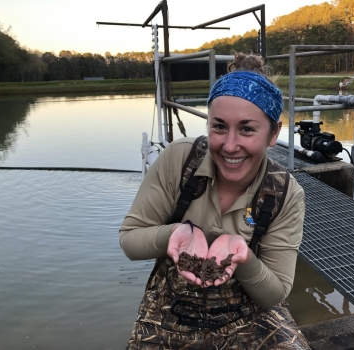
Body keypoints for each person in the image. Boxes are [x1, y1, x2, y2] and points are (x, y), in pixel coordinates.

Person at [119, 53, 308, 349]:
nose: (230, 145)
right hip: (171, 306)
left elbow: (275, 294)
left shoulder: (285, 193)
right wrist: (172, 234)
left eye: (247, 129)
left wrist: (244, 258)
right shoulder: (181, 159)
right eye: (219, 126)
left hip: (249, 311)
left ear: (274, 134)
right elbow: (130, 239)